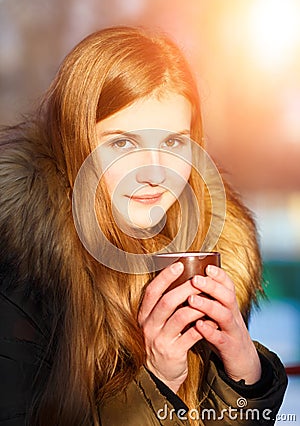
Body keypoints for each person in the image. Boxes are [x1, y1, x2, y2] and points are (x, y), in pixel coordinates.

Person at [0, 26, 287, 425]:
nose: (154, 173)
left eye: (173, 143)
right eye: (122, 143)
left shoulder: (213, 255)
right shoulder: (19, 264)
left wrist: (242, 376)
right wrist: (157, 379)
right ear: (75, 140)